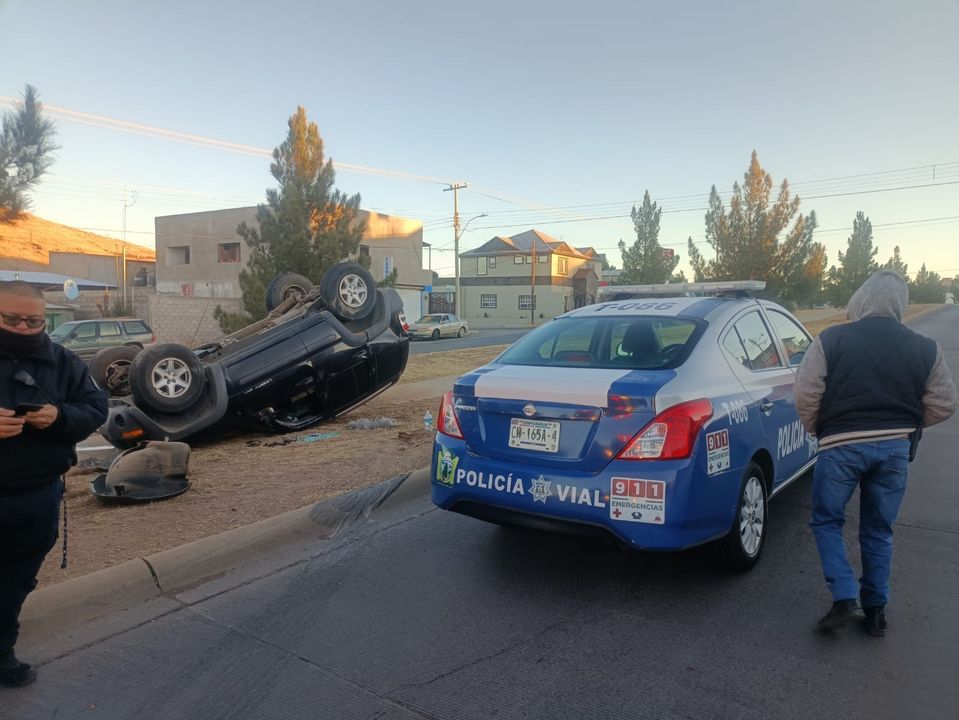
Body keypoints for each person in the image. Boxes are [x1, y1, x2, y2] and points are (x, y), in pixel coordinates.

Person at [795, 270, 956, 636]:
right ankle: (876, 611)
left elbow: (805, 393)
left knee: (826, 520)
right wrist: (907, 426)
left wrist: (818, 428)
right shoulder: (923, 347)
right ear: (899, 303)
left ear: (861, 300)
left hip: (840, 447)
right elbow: (944, 403)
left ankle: (845, 597)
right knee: (878, 529)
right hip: (894, 449)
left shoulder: (831, 340)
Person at [0, 281, 108, 687]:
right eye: (12, 319)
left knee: (15, 581)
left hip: (37, 497)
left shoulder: (64, 362)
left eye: (33, 321)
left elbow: (96, 408)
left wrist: (60, 418)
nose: (24, 327)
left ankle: (1, 656)